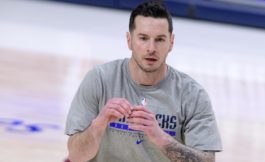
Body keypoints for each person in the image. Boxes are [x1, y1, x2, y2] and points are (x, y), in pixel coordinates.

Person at [65, 1, 222, 162]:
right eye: (143, 38)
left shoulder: (192, 95)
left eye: (160, 39)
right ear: (129, 40)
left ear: (171, 43)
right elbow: (76, 156)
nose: (151, 48)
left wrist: (161, 137)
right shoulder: (99, 80)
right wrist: (100, 122)